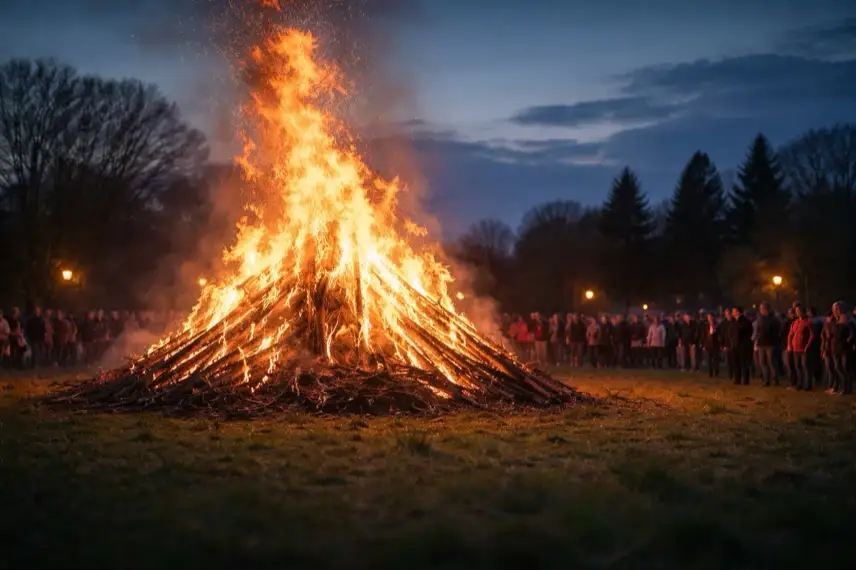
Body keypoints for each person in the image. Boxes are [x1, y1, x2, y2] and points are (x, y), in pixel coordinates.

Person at [787, 303, 813, 390]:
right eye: (797, 311)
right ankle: (800, 384)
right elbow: (790, 334)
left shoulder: (808, 322)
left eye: (799, 311)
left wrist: (807, 346)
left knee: (805, 367)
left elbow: (812, 335)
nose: (798, 312)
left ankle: (808, 385)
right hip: (795, 348)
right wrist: (789, 345)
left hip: (804, 348)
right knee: (798, 367)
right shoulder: (795, 322)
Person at [755, 302, 781, 387]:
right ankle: (766, 380)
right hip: (761, 344)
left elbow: (777, 331)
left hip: (770, 343)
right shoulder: (760, 319)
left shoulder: (773, 319)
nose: (761, 310)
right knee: (762, 362)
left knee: (771, 362)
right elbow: (758, 331)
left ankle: (775, 379)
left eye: (762, 308)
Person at [730, 307, 754, 385]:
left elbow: (748, 332)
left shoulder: (745, 321)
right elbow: (731, 332)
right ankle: (737, 379)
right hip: (735, 345)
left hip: (743, 345)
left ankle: (745, 380)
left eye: (734, 311)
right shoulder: (733, 321)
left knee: (744, 363)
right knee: (736, 362)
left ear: (738, 312)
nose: (732, 313)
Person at [699, 312, 721, 377]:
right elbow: (703, 335)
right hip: (708, 344)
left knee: (716, 359)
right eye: (708, 317)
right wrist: (703, 344)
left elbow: (719, 334)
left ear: (713, 317)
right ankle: (710, 373)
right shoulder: (705, 325)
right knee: (709, 359)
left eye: (710, 317)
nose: (709, 318)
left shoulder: (717, 325)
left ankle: (716, 372)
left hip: (715, 344)